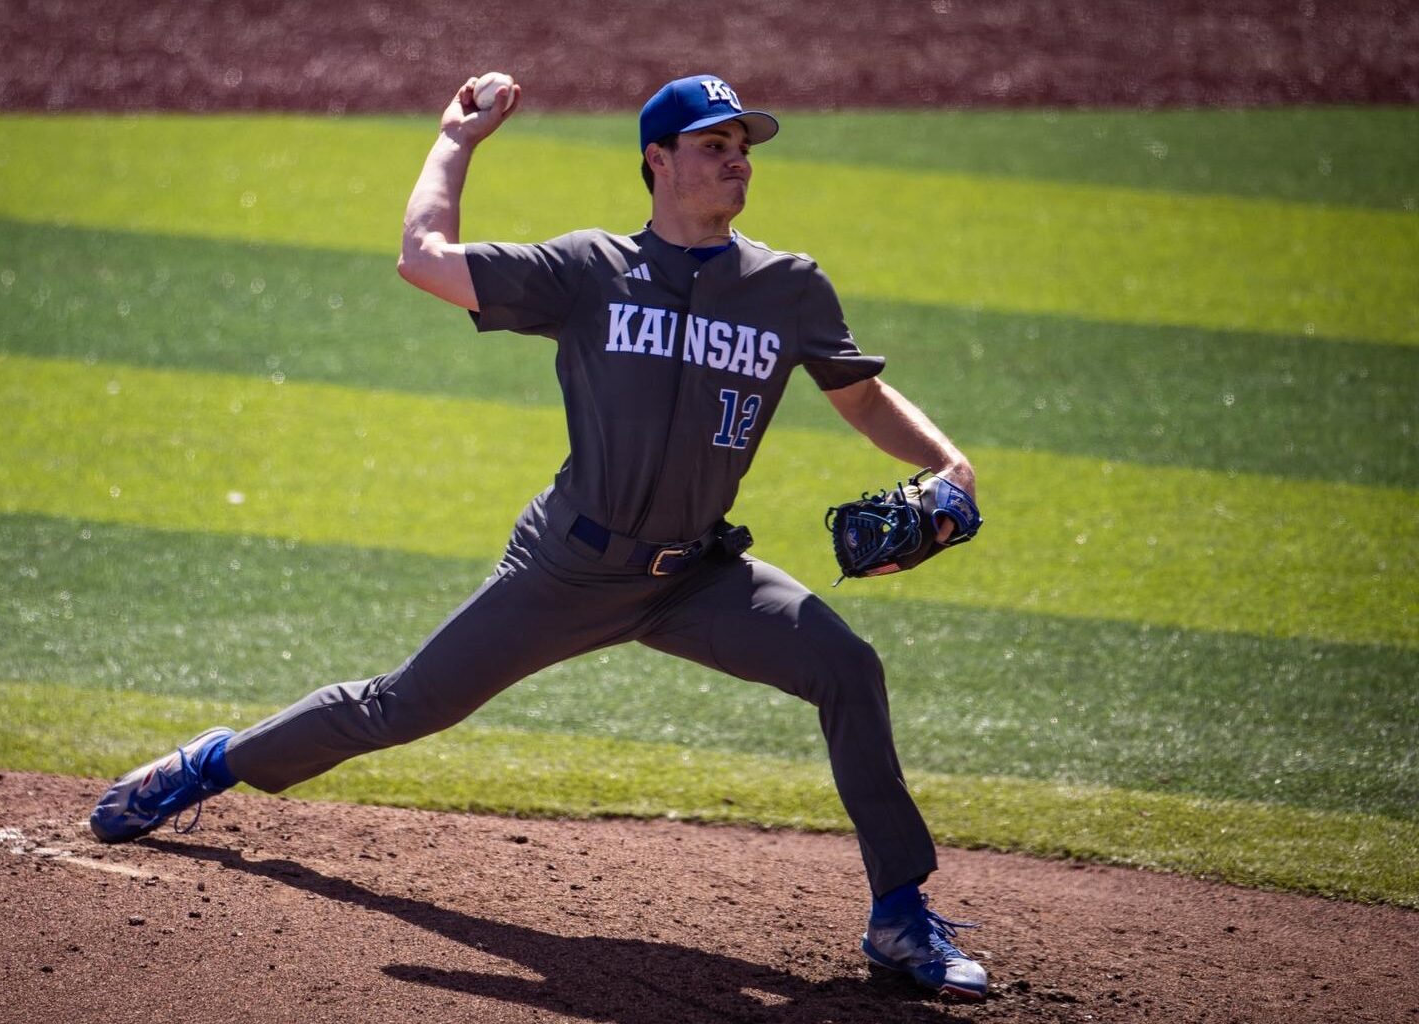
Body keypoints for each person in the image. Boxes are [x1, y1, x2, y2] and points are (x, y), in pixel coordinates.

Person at [89, 73, 988, 1001]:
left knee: (846, 667)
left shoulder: (788, 288)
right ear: (658, 160)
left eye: (744, 146)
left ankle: (898, 913)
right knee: (399, 708)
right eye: (715, 144)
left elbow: (860, 395)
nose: (737, 160)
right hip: (567, 568)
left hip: (699, 579)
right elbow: (423, 258)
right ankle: (211, 765)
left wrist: (949, 463)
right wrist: (457, 141)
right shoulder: (589, 270)